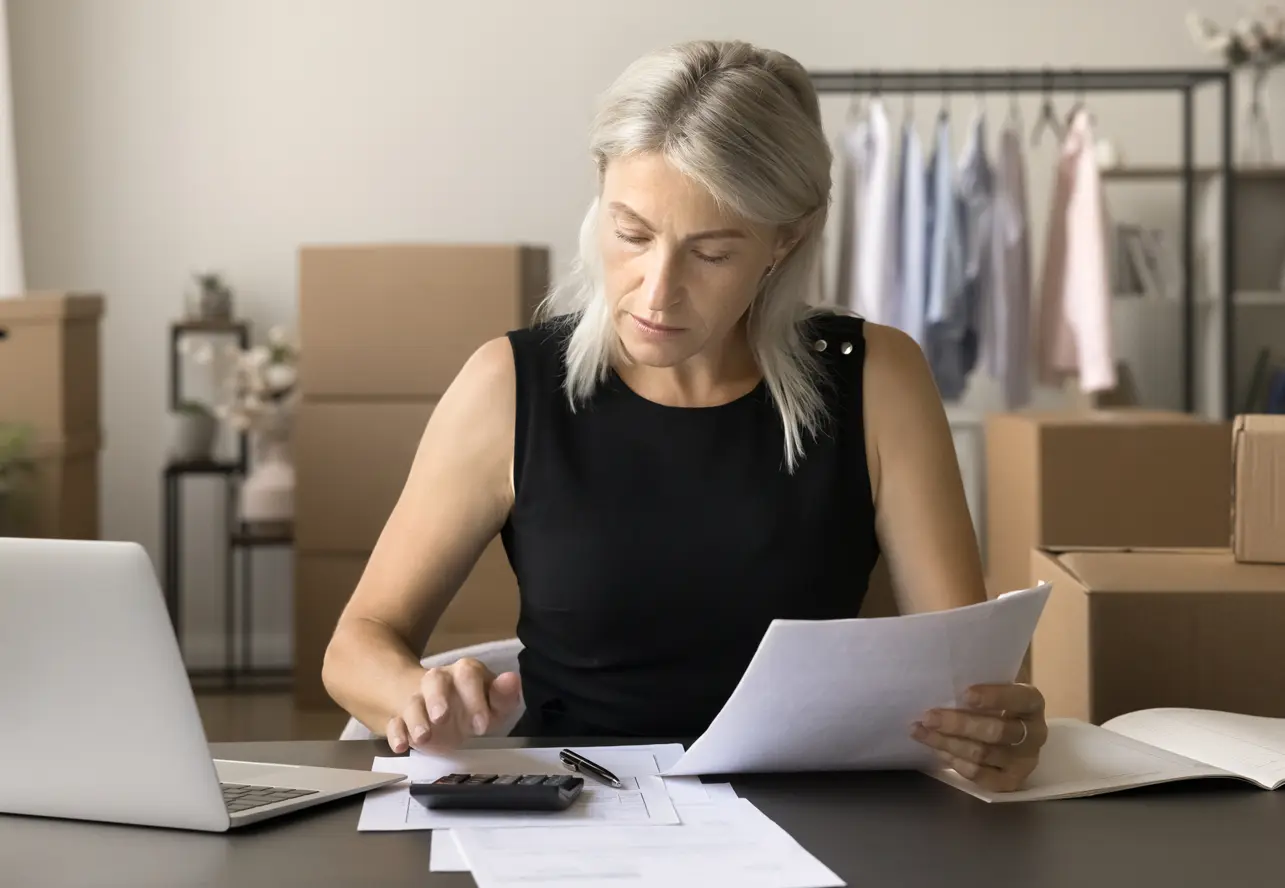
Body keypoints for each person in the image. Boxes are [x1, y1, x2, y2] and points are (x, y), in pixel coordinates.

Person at [321, 39, 1048, 792]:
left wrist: (1000, 727)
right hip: (579, 814)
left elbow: (967, 677)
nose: (655, 290)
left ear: (784, 239)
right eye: (631, 235)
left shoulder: (876, 380)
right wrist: (411, 693)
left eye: (710, 253)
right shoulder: (508, 385)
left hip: (820, 815)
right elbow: (356, 646)